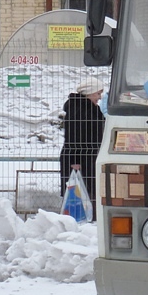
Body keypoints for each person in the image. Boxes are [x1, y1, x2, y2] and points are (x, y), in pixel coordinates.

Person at [60, 77, 106, 217]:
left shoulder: (89, 108)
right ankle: (83, 220)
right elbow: (74, 135)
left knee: (85, 191)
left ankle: (86, 218)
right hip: (80, 159)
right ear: (90, 92)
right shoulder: (79, 109)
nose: (99, 97)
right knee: (82, 191)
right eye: (98, 93)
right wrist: (75, 160)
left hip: (87, 156)